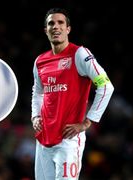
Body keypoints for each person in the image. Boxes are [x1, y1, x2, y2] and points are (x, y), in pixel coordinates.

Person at [31, 8, 114, 179]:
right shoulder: (40, 61)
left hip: (68, 140)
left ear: (68, 29)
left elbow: (106, 86)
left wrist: (87, 122)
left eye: (61, 23)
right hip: (43, 138)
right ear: (46, 30)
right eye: (51, 23)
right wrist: (35, 116)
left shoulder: (80, 54)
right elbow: (38, 92)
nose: (56, 27)